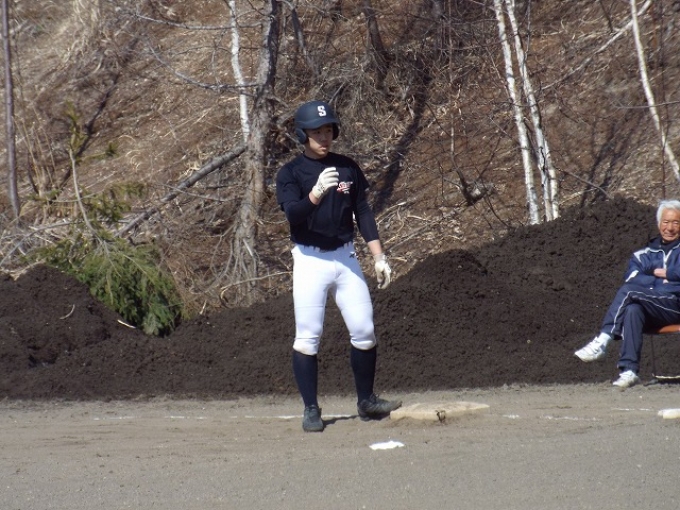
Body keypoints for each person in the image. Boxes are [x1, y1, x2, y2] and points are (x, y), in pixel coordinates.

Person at [275, 100, 402, 432]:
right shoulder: (290, 173)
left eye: (328, 130)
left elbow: (363, 211)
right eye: (316, 131)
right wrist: (315, 193)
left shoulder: (347, 167)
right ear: (303, 134)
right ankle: (311, 409)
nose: (324, 137)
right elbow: (293, 214)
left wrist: (378, 256)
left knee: (364, 330)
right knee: (308, 337)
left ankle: (366, 401)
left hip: (345, 257)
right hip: (310, 260)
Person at [574, 199, 680, 388]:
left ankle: (603, 339)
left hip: (675, 306)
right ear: (659, 224)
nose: (670, 228)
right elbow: (632, 278)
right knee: (633, 309)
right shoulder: (643, 254)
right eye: (666, 222)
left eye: (675, 222)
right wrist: (663, 279)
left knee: (630, 292)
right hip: (653, 307)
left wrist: (661, 274)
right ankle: (629, 371)